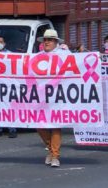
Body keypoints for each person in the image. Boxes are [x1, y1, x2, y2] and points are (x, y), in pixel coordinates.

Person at [36, 29, 71, 167]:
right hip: (42, 96)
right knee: (39, 124)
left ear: (56, 42)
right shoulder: (38, 56)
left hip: (58, 95)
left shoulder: (64, 54)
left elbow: (78, 64)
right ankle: (51, 150)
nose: (46, 42)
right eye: (45, 40)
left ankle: (55, 155)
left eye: (50, 40)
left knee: (55, 125)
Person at [0, 36, 18, 138]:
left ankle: (12, 129)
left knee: (10, 106)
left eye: (1, 42)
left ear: (4, 43)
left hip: (8, 85)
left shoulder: (10, 55)